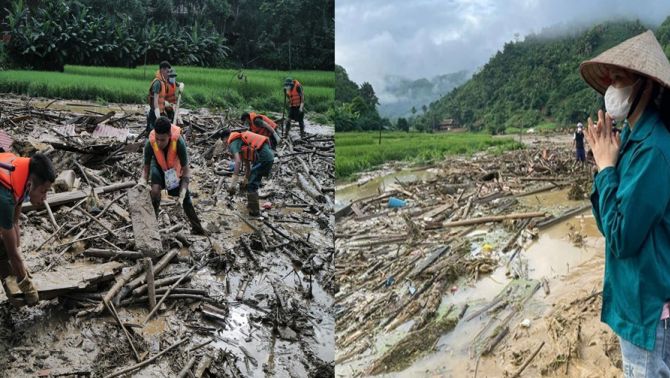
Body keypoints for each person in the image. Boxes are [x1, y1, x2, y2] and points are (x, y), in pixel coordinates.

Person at [580, 30, 670, 376]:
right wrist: (606, 165)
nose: (611, 89)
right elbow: (609, 222)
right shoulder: (632, 139)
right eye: (610, 80)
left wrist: (606, 169)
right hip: (634, 299)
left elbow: (620, 238)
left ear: (646, 85)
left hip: (647, 309)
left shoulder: (653, 150)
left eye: (620, 79)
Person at [0, 152, 56, 306]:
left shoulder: (22, 177)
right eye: (43, 191)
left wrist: (20, 258)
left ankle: (9, 280)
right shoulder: (5, 198)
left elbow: (15, 221)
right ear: (31, 185)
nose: (45, 198)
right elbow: (12, 252)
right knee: (5, 245)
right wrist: (26, 285)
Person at [139, 116, 206, 235]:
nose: (159, 143)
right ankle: (152, 228)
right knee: (154, 192)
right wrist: (143, 181)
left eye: (163, 140)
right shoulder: (151, 142)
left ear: (169, 135)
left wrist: (183, 190)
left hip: (174, 169)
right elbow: (146, 167)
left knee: (186, 199)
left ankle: (197, 228)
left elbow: (186, 171)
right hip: (158, 166)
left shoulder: (179, 141)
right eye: (157, 139)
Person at [221, 130, 274, 216]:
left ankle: (254, 212)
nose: (226, 145)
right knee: (252, 181)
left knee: (252, 185)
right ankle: (251, 205)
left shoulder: (233, 142)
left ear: (226, 138)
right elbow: (248, 166)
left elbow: (237, 162)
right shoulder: (242, 142)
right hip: (267, 157)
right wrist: (245, 180)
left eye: (224, 142)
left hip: (264, 158)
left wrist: (233, 184)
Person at [147, 62, 184, 131]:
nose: (168, 74)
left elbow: (162, 98)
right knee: (152, 132)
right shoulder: (157, 83)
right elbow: (155, 101)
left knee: (162, 131)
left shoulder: (163, 81)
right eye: (167, 72)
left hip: (161, 111)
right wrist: (157, 114)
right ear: (162, 70)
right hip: (155, 112)